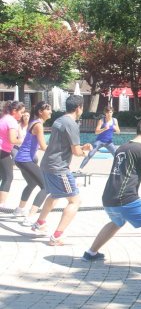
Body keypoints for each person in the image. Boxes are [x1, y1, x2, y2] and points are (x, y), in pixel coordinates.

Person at [82, 117, 141, 277]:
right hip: (126, 199)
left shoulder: (122, 147)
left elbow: (132, 170)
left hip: (108, 198)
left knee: (117, 221)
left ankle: (90, 253)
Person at [30, 95, 93, 246]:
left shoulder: (59, 120)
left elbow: (65, 145)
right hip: (59, 168)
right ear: (79, 107)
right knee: (75, 200)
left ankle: (39, 223)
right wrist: (85, 152)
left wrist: (80, 147)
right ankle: (57, 236)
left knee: (55, 195)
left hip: (47, 164)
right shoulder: (71, 124)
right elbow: (77, 152)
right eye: (82, 107)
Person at [13, 102, 52, 225]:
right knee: (46, 186)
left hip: (21, 159)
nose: (51, 112)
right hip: (25, 160)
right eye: (48, 109)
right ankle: (29, 217)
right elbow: (44, 146)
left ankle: (19, 210)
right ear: (41, 112)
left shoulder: (34, 122)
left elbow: (35, 145)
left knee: (32, 183)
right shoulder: (38, 125)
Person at [0, 101, 25, 207]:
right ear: (14, 111)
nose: (22, 115)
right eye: (21, 112)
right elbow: (12, 140)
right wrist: (23, 140)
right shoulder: (12, 121)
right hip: (3, 151)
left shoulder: (4, 118)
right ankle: (1, 203)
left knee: (2, 175)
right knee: (8, 177)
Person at [78, 105, 120, 170]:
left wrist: (115, 128)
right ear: (105, 113)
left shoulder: (115, 120)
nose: (109, 114)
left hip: (109, 142)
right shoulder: (102, 120)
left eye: (111, 112)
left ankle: (120, 170)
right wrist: (104, 129)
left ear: (112, 113)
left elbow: (118, 132)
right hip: (99, 141)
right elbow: (96, 132)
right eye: (108, 112)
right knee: (90, 154)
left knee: (117, 155)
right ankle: (80, 169)